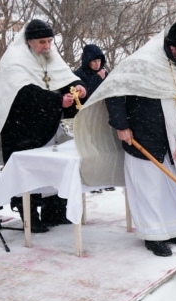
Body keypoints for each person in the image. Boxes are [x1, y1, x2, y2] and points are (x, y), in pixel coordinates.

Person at [74, 21, 176, 257]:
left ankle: (175, 230)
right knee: (148, 190)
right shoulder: (141, 64)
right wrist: (122, 126)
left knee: (175, 189)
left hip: (174, 142)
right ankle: (153, 235)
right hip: (143, 139)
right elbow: (113, 92)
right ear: (171, 47)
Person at [0, 19, 88, 233]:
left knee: (53, 170)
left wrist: (79, 87)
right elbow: (22, 94)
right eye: (42, 42)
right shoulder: (14, 60)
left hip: (49, 125)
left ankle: (55, 211)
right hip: (22, 128)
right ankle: (30, 217)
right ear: (29, 42)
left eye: (50, 41)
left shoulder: (50, 56)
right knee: (28, 174)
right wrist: (56, 101)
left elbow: (64, 79)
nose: (47, 46)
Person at [73, 44, 115, 194]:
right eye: (94, 61)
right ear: (87, 61)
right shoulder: (79, 75)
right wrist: (98, 79)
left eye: (99, 61)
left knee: (104, 148)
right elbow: (86, 94)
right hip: (87, 116)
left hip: (103, 115)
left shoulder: (104, 73)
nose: (97, 64)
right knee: (90, 150)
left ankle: (105, 178)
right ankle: (91, 178)